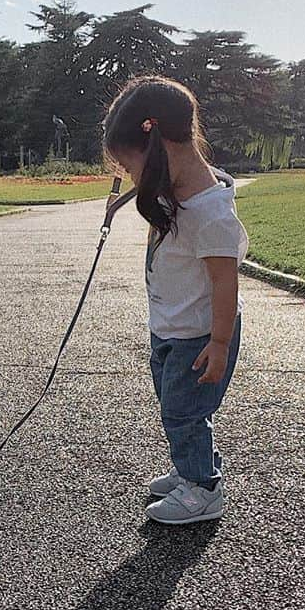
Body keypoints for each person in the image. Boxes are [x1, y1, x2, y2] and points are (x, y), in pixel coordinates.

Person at [102, 75, 248, 525]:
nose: (130, 175)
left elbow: (226, 283)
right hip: (169, 327)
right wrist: (127, 195)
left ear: (159, 141)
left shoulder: (209, 212)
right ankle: (191, 470)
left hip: (198, 336)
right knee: (175, 409)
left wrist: (220, 344)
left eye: (130, 165)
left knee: (185, 413)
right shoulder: (176, 188)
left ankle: (203, 489)